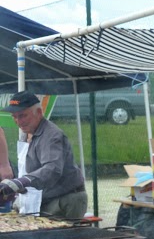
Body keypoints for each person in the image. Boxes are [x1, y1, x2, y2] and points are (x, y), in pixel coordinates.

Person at [0, 91, 88, 219]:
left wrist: (22, 181)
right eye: (15, 116)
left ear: (39, 113)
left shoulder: (52, 136)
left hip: (64, 201)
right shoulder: (26, 133)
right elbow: (31, 169)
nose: (18, 121)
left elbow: (52, 169)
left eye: (23, 115)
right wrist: (16, 189)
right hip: (46, 199)